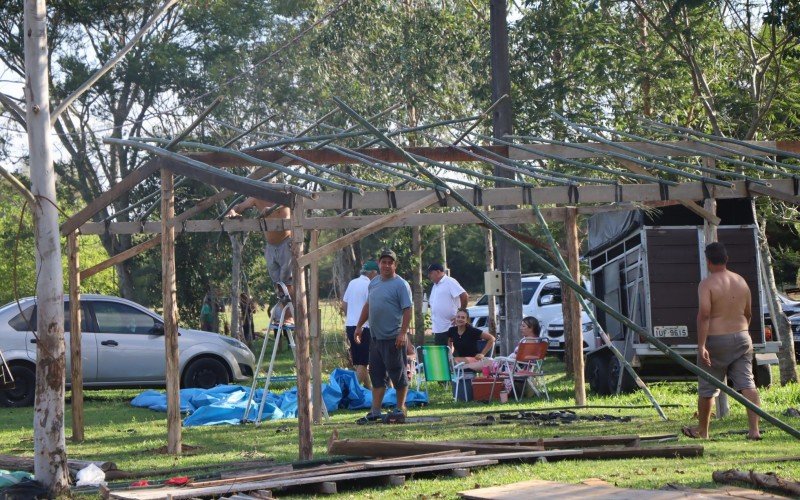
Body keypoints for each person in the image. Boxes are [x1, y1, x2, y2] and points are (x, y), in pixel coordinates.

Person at [683, 242, 761, 440]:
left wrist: (701, 345)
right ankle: (754, 430)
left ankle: (704, 431)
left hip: (716, 340)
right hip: (743, 336)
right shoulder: (741, 281)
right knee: (747, 383)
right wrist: (743, 332)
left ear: (708, 261)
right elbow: (748, 312)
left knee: (708, 387)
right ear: (726, 259)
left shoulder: (707, 284)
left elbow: (705, 315)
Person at [354, 249, 412, 423]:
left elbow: (407, 309)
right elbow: (368, 304)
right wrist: (359, 326)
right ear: (379, 264)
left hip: (393, 337)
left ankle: (400, 408)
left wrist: (403, 333)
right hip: (375, 338)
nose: (386, 265)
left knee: (398, 374)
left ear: (395, 265)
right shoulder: (374, 283)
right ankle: (375, 411)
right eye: (383, 262)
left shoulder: (401, 284)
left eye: (390, 262)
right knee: (377, 376)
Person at [226, 196, 293, 324]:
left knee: (287, 282)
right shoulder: (256, 197)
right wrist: (233, 211)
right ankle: (284, 313)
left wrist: (271, 210)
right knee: (278, 283)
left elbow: (289, 204)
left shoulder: (282, 194)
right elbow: (239, 207)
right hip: (270, 246)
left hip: (286, 243)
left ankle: (290, 316)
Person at [342, 260, 379, 388]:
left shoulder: (352, 283)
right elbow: (372, 307)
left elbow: (344, 303)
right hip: (364, 327)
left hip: (350, 325)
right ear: (373, 273)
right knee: (363, 362)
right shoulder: (370, 285)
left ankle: (369, 389)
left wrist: (351, 317)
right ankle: (352, 390)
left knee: (359, 361)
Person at [427, 263, 468, 347]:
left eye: (431, 273)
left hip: (450, 327)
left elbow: (464, 295)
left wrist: (460, 313)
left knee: (451, 355)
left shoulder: (449, 281)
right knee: (442, 355)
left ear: (438, 272)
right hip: (438, 328)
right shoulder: (435, 286)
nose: (429, 276)